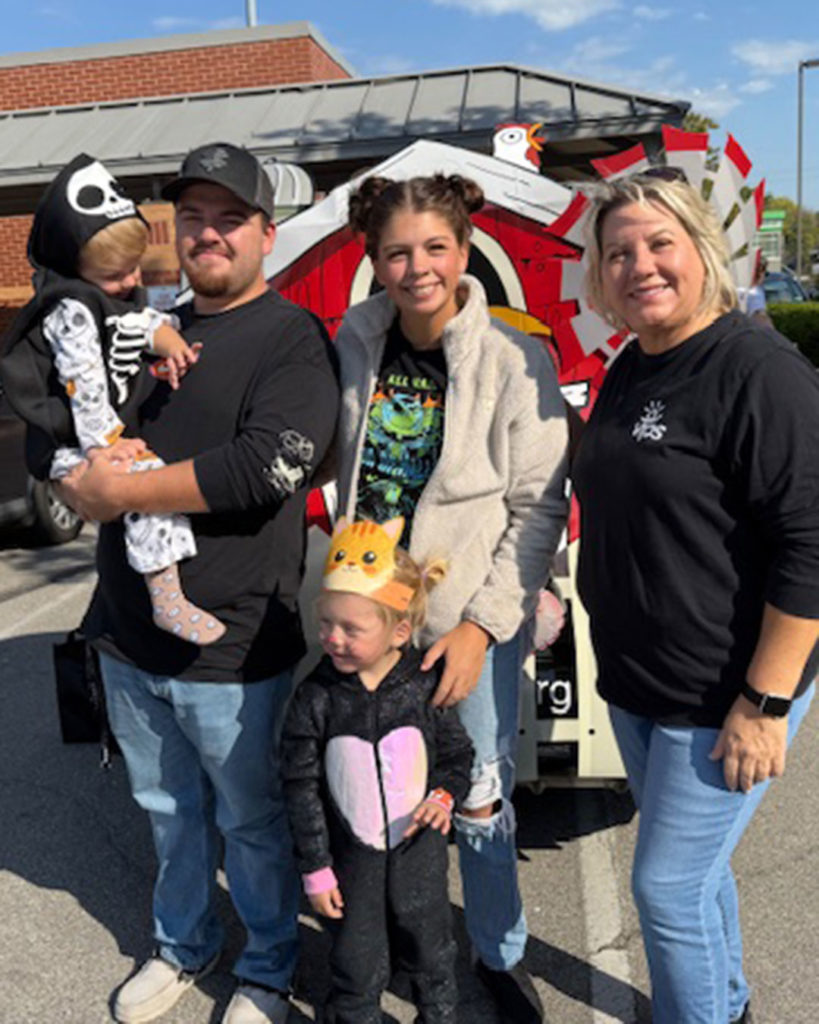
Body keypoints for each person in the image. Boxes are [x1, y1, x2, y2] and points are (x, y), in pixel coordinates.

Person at [57, 142, 340, 1024]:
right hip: (131, 634)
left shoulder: (292, 339)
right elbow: (80, 424)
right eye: (191, 218)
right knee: (168, 811)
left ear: (266, 232)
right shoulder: (143, 328)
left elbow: (265, 468)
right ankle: (182, 944)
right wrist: (74, 482)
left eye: (228, 218)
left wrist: (123, 489)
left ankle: (266, 967)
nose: (207, 234)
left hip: (236, 643)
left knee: (251, 823)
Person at [572, 169, 819, 1024]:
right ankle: (728, 1005)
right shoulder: (630, 367)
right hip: (642, 684)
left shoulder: (756, 370)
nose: (639, 265)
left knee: (666, 890)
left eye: (658, 243)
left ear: (701, 251)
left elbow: (811, 546)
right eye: (617, 253)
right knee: (697, 876)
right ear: (599, 276)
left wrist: (763, 700)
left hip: (725, 691)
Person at [334, 174, 569, 1023]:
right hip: (365, 613)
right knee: (375, 784)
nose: (416, 266)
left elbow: (536, 509)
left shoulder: (512, 359)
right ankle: (402, 936)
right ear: (375, 262)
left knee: (476, 793)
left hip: (462, 620)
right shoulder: (354, 344)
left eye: (434, 247)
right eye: (397, 251)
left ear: (464, 254)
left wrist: (480, 626)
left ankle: (497, 952)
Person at [0, 153, 226, 645]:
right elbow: (83, 382)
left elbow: (135, 329)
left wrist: (168, 348)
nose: (130, 282)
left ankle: (165, 593)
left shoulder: (107, 299)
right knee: (144, 477)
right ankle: (166, 596)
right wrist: (104, 443)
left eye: (134, 269)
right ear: (75, 266)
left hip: (94, 437)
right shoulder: (70, 310)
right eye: (117, 275)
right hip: (69, 441)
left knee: (144, 475)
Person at [281, 515, 474, 1023]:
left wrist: (443, 797)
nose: (333, 638)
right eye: (326, 623)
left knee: (433, 957)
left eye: (351, 628)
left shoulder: (424, 688)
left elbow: (457, 757)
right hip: (352, 866)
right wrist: (316, 868)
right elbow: (300, 788)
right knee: (355, 964)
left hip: (420, 862)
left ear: (399, 631)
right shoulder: (316, 697)